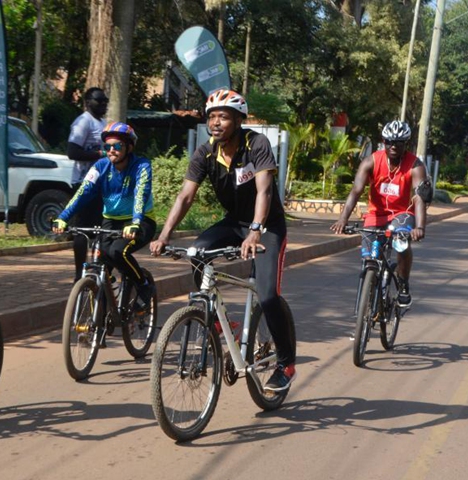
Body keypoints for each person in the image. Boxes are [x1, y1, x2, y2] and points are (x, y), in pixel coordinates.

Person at [149, 89, 297, 392]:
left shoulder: (256, 144)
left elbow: (264, 191)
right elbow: (186, 195)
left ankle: (286, 363)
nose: (216, 122)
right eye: (212, 116)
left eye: (224, 116)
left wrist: (256, 230)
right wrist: (164, 235)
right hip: (234, 223)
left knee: (268, 296)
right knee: (196, 252)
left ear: (239, 120)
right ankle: (218, 321)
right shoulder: (205, 152)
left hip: (267, 226)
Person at [54, 122, 156, 311]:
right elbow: (83, 192)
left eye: (117, 146)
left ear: (129, 147)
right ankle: (104, 313)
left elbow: (141, 194)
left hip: (140, 221)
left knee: (117, 252)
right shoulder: (100, 166)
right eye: (107, 147)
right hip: (110, 221)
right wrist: (63, 217)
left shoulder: (141, 166)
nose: (111, 151)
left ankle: (143, 286)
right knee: (100, 262)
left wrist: (135, 222)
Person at [330, 120, 428, 307]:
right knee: (369, 259)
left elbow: (419, 198)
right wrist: (343, 219)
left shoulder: (415, 165)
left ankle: (403, 284)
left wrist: (420, 227)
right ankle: (369, 297)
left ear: (405, 144)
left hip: (402, 214)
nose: (393, 146)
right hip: (375, 214)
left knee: (401, 244)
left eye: (399, 142)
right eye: (389, 141)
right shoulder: (371, 161)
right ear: (383, 141)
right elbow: (356, 191)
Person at [66, 88, 108, 281]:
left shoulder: (102, 122)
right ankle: (78, 274)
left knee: (101, 228)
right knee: (82, 229)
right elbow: (72, 152)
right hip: (84, 182)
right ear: (87, 102)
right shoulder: (83, 122)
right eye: (99, 101)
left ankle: (97, 269)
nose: (103, 105)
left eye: (105, 101)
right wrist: (98, 155)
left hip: (101, 184)